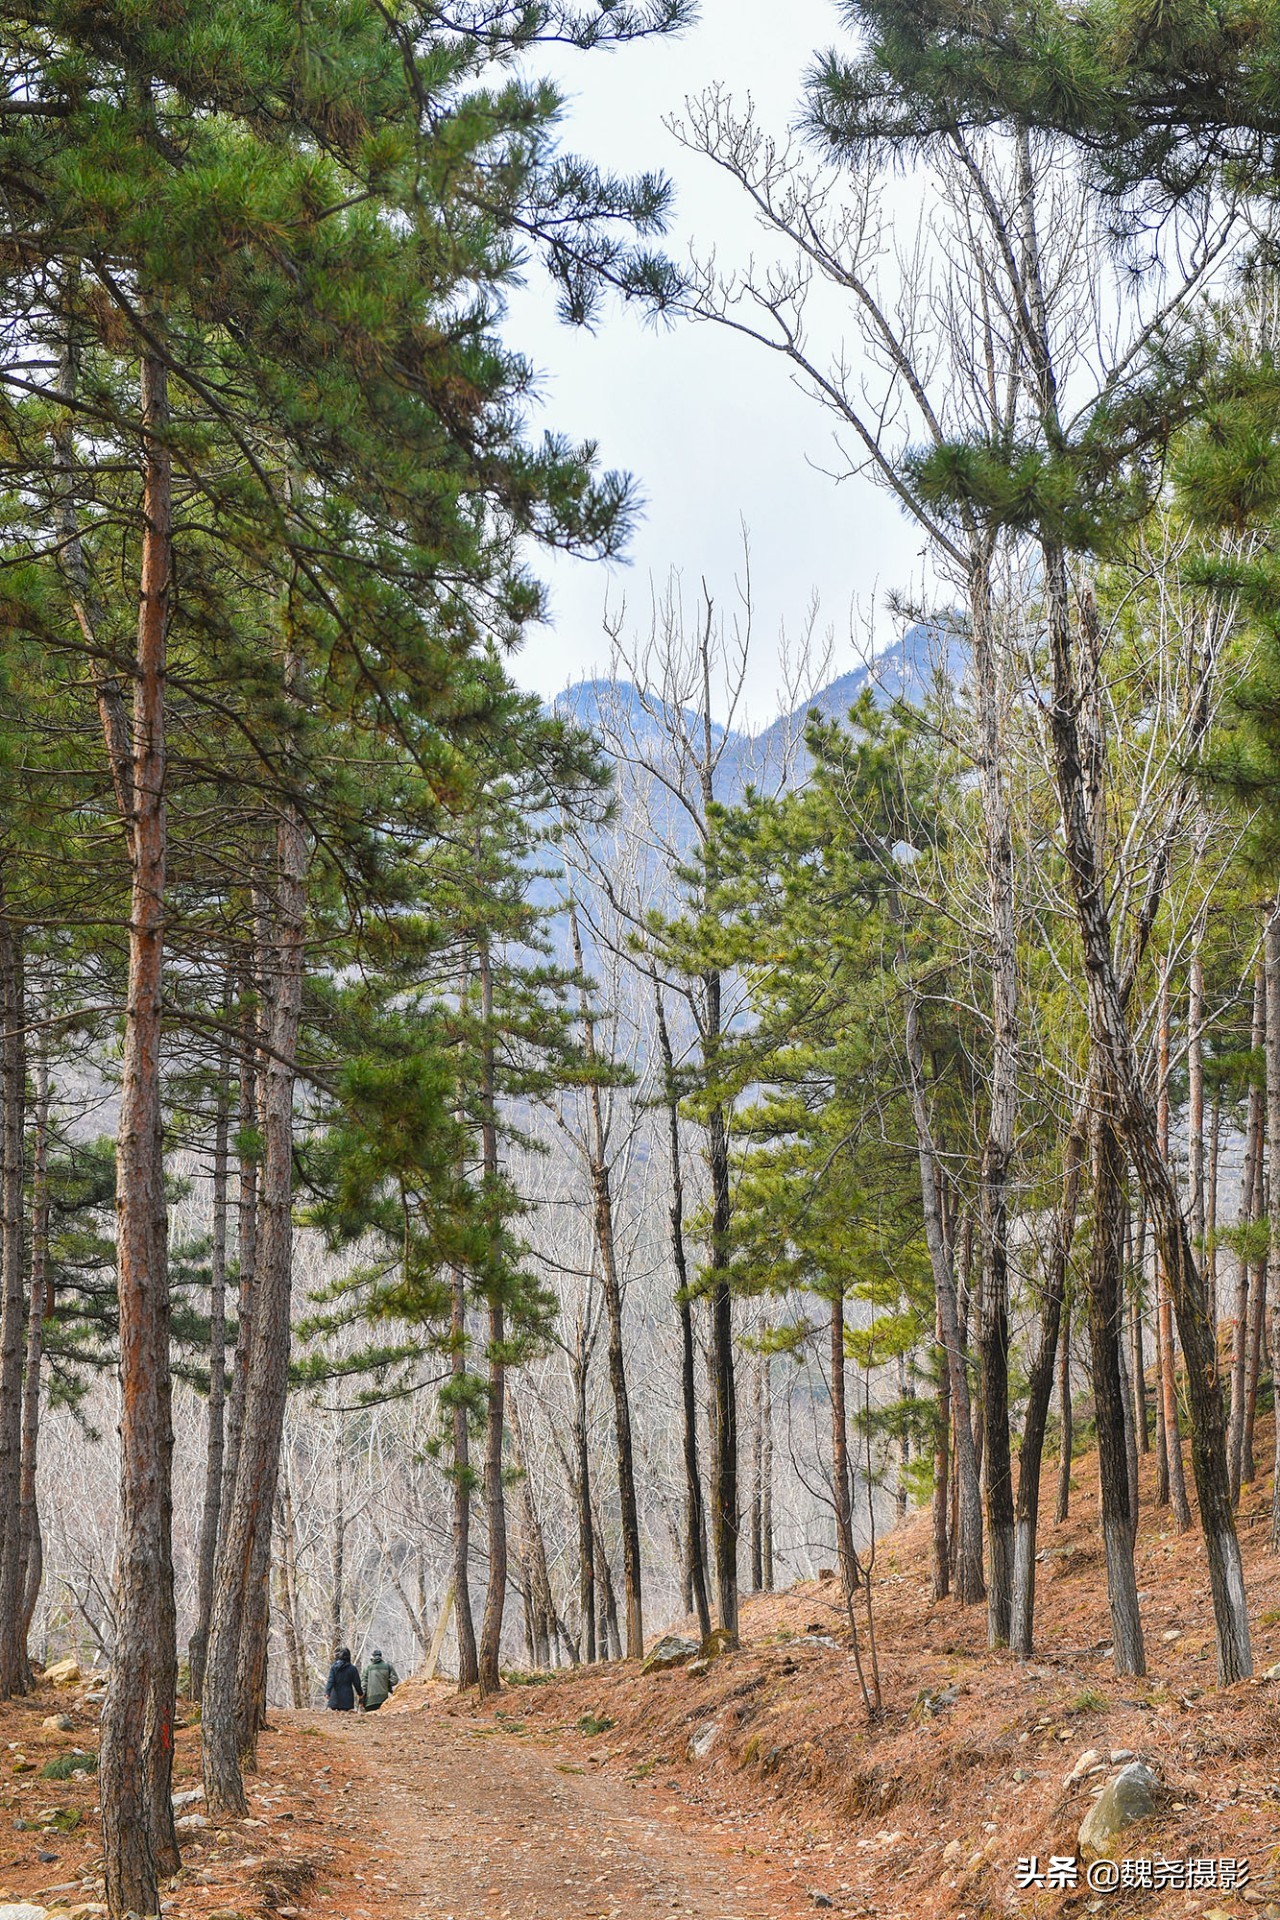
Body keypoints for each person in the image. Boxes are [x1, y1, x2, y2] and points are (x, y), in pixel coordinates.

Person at [324, 1646, 364, 1712]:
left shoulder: (334, 1667)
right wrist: (360, 1694)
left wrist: (327, 1692)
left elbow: (331, 1681)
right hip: (347, 1699)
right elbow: (357, 1683)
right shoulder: (352, 1668)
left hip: (334, 1699)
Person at [362, 1647, 400, 1712]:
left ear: (372, 1657)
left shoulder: (367, 1668)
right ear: (381, 1656)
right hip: (383, 1700)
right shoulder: (387, 1666)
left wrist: (361, 1699)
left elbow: (363, 1685)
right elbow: (395, 1680)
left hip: (370, 1701)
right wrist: (386, 1683)